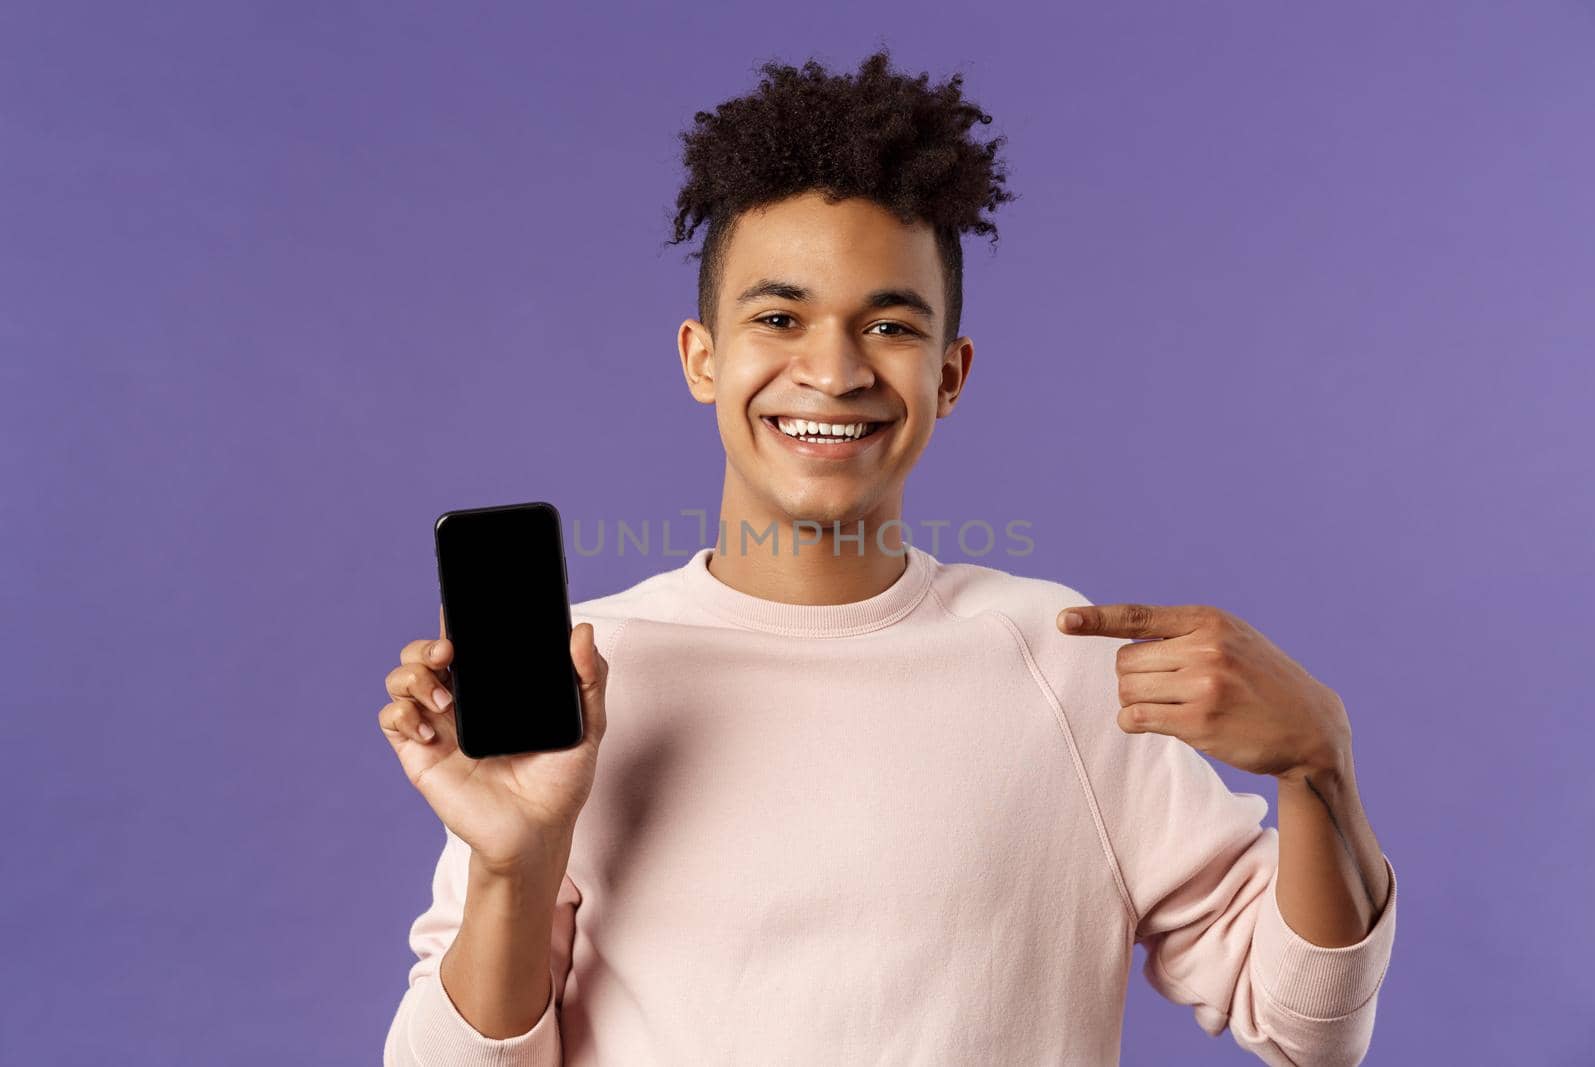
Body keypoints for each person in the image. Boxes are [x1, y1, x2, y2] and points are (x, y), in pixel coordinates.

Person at [377, 50, 1397, 1066]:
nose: (831, 369)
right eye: (779, 318)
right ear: (702, 356)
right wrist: (514, 864)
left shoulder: (1064, 665)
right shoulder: (584, 679)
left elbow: (1309, 1025)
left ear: (950, 373)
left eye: (889, 324)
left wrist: (1320, 767)